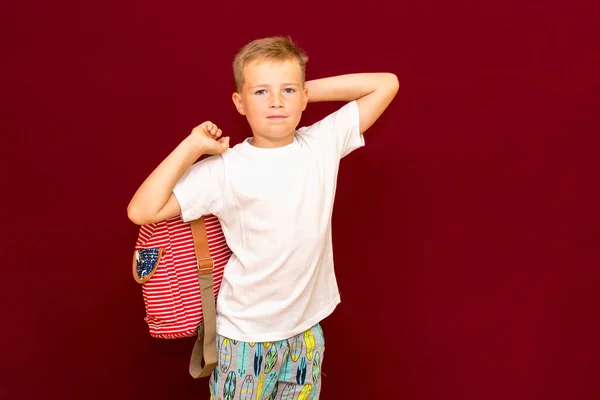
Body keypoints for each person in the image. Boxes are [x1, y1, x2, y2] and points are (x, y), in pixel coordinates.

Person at [127, 36, 399, 399]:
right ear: (239, 103)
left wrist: (298, 90)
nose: (275, 101)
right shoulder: (226, 169)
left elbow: (386, 84)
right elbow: (141, 210)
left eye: (287, 90)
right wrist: (192, 146)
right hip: (244, 339)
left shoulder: (321, 144)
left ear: (303, 96)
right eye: (260, 93)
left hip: (305, 332)